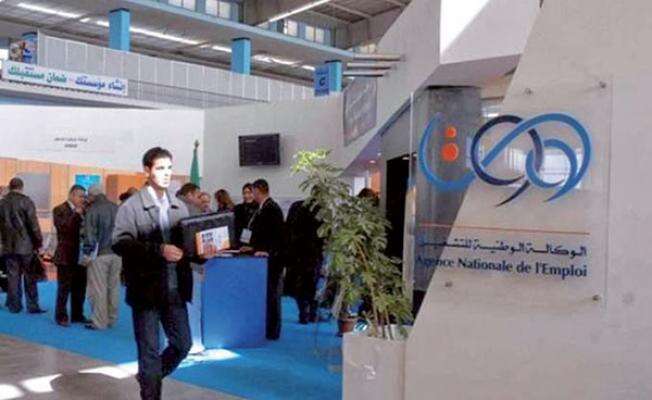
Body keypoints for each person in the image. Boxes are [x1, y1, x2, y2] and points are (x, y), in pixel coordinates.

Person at [112, 147, 195, 400]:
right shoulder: (131, 207)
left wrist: (203, 253)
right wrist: (158, 250)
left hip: (175, 290)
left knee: (183, 344)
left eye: (169, 168)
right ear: (147, 171)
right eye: (160, 168)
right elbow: (120, 243)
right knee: (148, 352)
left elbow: (186, 249)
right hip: (145, 291)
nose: (167, 173)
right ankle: (150, 387)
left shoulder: (180, 207)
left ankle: (149, 376)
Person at [241, 179, 285, 340]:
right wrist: (252, 248)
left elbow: (276, 236)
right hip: (262, 256)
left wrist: (267, 251)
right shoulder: (262, 208)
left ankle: (273, 331)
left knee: (273, 295)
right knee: (267, 295)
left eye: (252, 191)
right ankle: (267, 327)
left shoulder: (272, 209)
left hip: (272, 260)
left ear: (258, 191)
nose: (251, 195)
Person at [0, 178, 46, 314]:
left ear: (10, 187)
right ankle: (32, 306)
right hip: (26, 246)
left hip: (8, 246)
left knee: (12, 277)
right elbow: (34, 225)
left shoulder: (2, 203)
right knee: (30, 276)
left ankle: (14, 306)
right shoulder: (26, 201)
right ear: (21, 187)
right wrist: (39, 243)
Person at [83, 185, 121, 330]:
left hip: (100, 254)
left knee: (98, 288)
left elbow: (90, 235)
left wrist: (87, 253)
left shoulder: (93, 210)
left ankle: (99, 321)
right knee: (113, 287)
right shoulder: (116, 208)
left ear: (92, 196)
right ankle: (111, 318)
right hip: (117, 253)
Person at [53, 185, 89, 326]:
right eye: (80, 196)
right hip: (65, 255)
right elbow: (64, 228)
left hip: (81, 255)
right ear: (72, 195)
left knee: (80, 287)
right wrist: (75, 215)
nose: (83, 199)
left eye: (84, 196)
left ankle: (77, 314)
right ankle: (61, 316)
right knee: (64, 288)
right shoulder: (59, 209)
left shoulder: (85, 211)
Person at [285, 197, 323, 324]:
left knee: (299, 286)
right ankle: (312, 312)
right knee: (313, 285)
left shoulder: (296, 207)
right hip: (313, 254)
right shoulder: (320, 211)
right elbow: (323, 236)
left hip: (297, 254)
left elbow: (287, 230)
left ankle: (303, 312)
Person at [233, 183, 257, 247]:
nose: (246, 195)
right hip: (240, 243)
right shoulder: (237, 208)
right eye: (244, 193)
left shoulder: (259, 209)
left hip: (254, 243)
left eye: (249, 193)